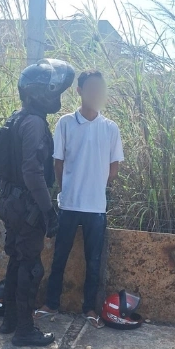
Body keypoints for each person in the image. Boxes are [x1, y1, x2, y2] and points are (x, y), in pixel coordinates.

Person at [0, 58, 74, 346]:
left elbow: (5, 168)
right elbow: (32, 171)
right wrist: (47, 211)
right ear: (38, 93)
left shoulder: (15, 119)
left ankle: (10, 320)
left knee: (17, 259)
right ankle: (24, 331)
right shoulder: (35, 124)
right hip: (26, 205)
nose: (56, 96)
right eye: (52, 90)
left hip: (10, 202)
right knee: (31, 266)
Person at [36, 70, 124, 328]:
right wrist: (69, 189)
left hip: (96, 208)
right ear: (80, 91)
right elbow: (58, 162)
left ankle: (90, 310)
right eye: (91, 88)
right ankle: (50, 304)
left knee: (94, 262)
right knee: (59, 257)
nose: (96, 93)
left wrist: (96, 185)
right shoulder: (65, 123)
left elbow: (114, 167)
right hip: (69, 204)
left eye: (100, 88)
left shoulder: (110, 128)